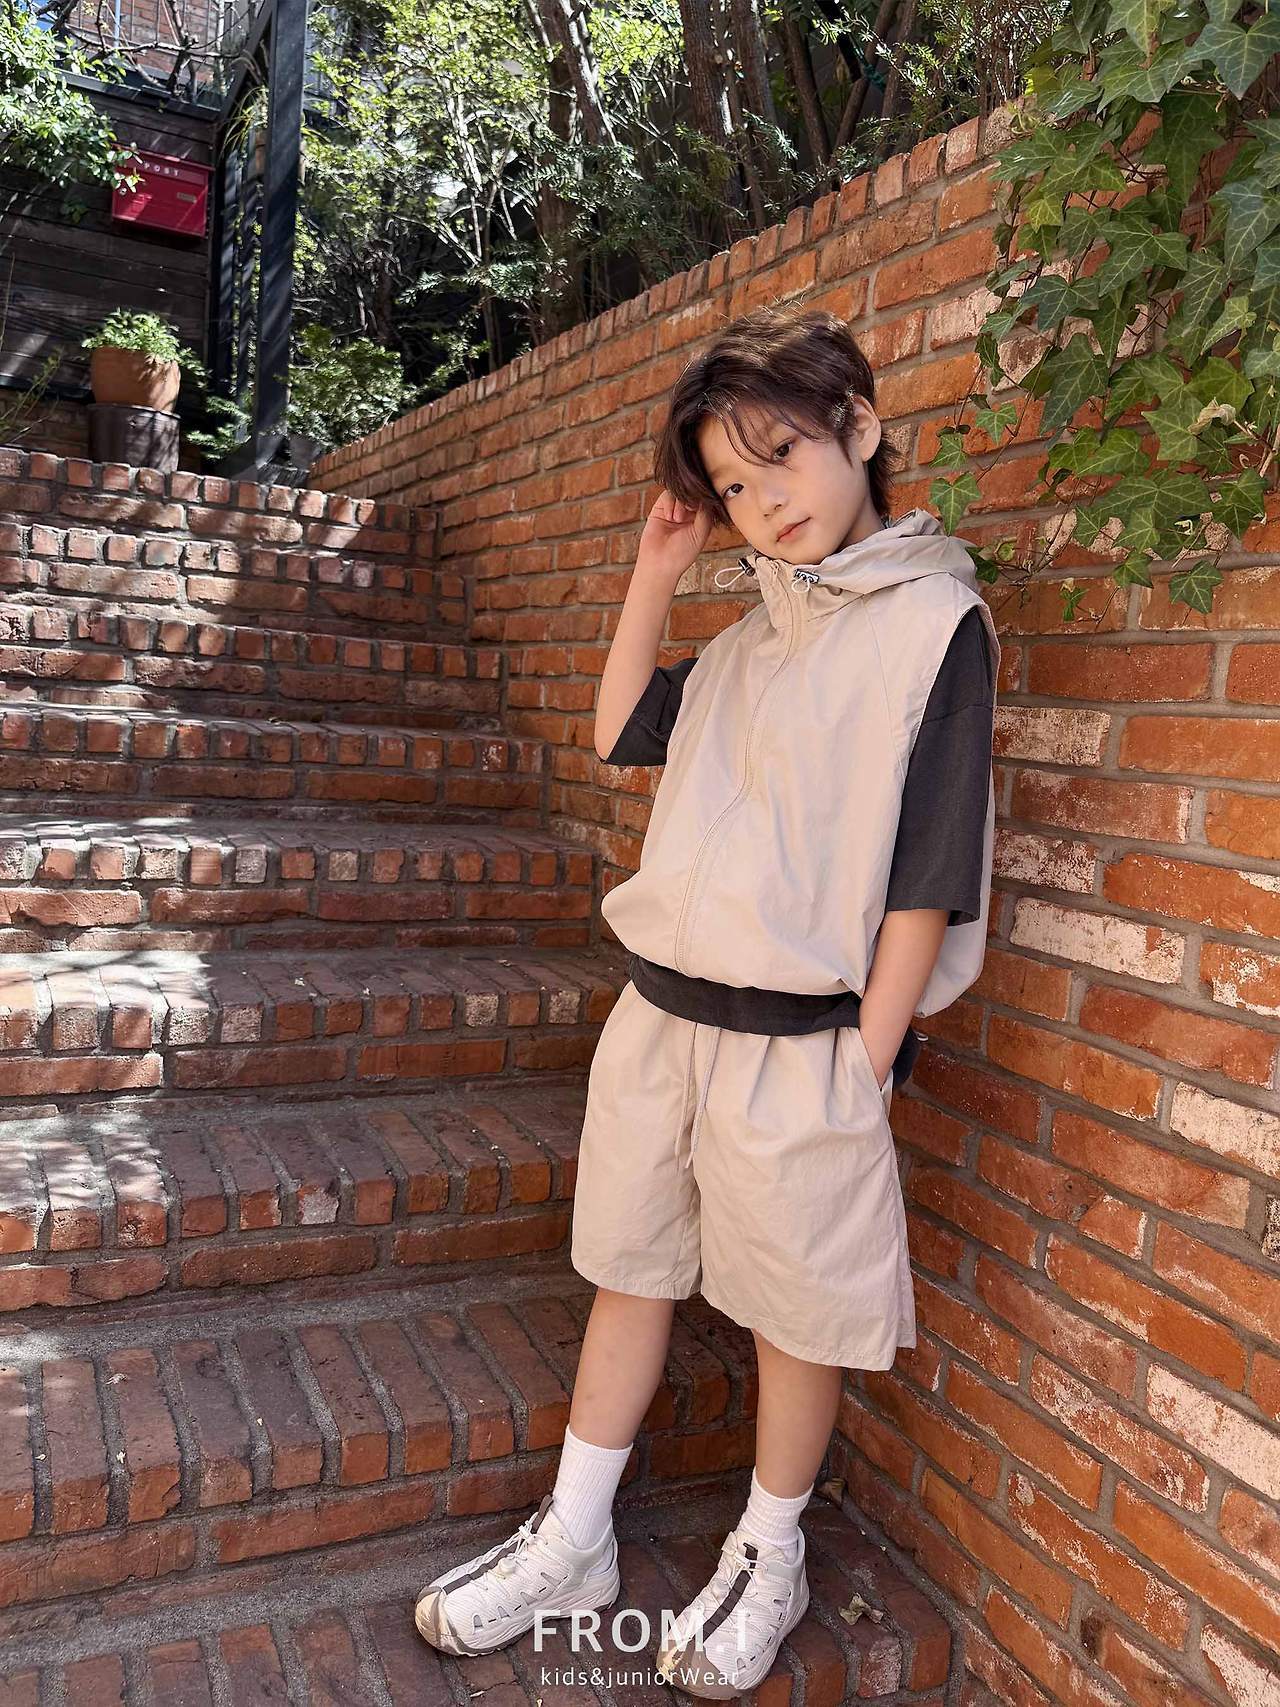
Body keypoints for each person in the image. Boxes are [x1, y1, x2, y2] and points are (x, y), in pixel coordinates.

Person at [414, 304, 999, 1697]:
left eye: (779, 455)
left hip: (804, 1044)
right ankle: (576, 1536)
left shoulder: (937, 626)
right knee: (630, 1270)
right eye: (732, 485)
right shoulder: (747, 639)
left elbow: (930, 867)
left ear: (859, 426)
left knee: (798, 1315)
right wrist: (656, 571)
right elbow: (623, 730)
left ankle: (768, 1552)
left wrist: (867, 1063)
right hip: (663, 1022)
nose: (762, 501)